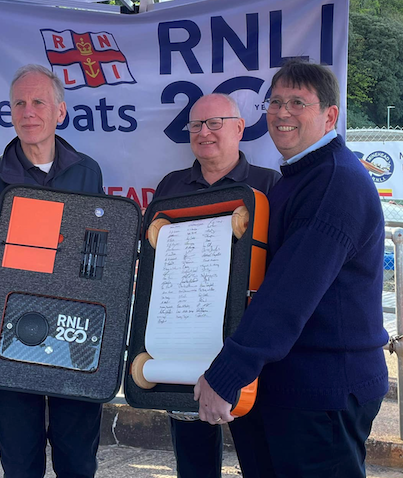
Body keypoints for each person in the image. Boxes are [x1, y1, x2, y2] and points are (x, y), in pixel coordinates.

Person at [196, 59, 388, 477]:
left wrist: (227, 373)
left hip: (323, 392)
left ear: (329, 116)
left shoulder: (334, 182)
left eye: (298, 102)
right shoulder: (300, 177)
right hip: (288, 387)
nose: (282, 113)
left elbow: (289, 293)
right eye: (276, 102)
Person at [0, 64, 104, 478]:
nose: (28, 111)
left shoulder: (88, 171)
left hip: (76, 338)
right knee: (20, 461)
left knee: (78, 459)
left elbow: (96, 260)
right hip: (10, 335)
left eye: (39, 102)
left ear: (60, 112)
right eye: (19, 103)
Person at [153, 93, 280, 478]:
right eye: (195, 125)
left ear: (240, 128)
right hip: (186, 341)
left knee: (260, 457)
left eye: (214, 123)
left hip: (248, 343)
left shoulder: (270, 184)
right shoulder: (170, 187)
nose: (204, 133)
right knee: (193, 463)